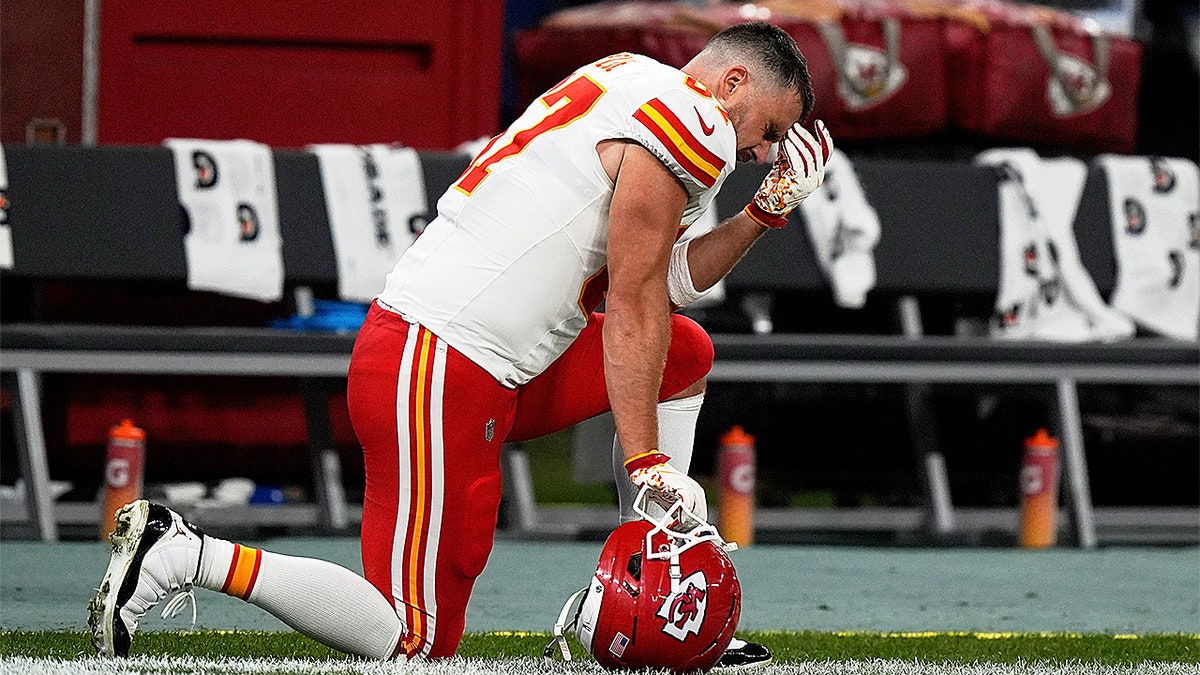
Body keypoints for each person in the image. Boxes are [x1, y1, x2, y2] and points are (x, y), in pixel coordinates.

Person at [89, 21, 831, 669]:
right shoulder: (696, 118)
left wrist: (763, 216)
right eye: (768, 129)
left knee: (685, 353)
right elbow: (635, 301)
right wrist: (647, 463)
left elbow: (663, 283)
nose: (763, 151)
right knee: (414, 641)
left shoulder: (634, 77)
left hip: (479, 363)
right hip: (437, 362)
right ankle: (183, 553)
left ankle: (655, 578)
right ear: (733, 82)